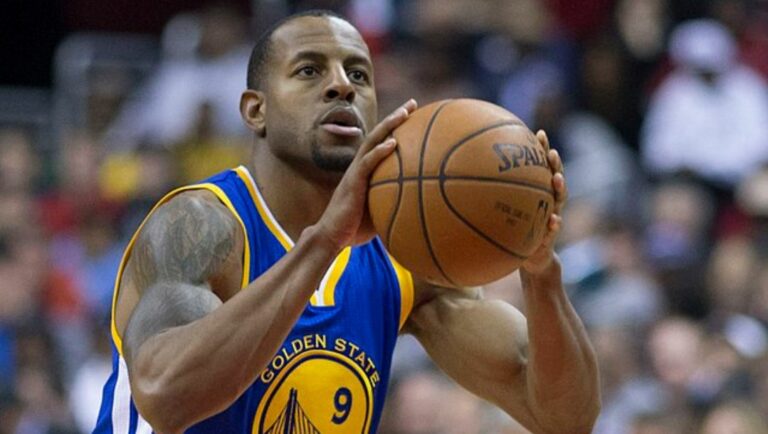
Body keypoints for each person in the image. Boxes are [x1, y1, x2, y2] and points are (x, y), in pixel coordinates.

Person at [93, 10, 599, 434]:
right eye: (309, 71)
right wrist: (325, 243)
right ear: (255, 110)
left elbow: (564, 416)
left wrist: (540, 269)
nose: (341, 85)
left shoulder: (404, 256)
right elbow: (164, 395)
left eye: (358, 75)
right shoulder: (201, 225)